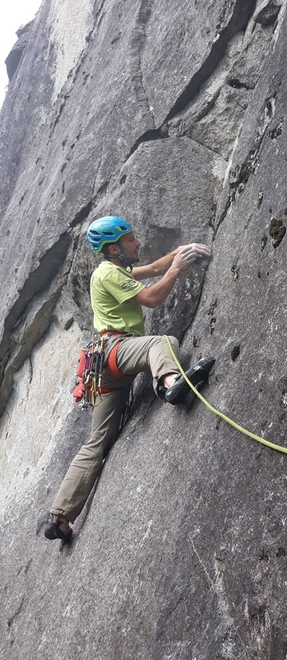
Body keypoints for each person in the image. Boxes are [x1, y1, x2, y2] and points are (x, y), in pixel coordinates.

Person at [44, 216, 214, 542]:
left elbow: (151, 268)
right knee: (161, 343)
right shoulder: (107, 272)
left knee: (97, 441)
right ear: (115, 249)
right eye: (131, 240)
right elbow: (152, 298)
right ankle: (169, 383)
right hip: (116, 350)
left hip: (105, 366)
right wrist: (177, 269)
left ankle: (60, 516)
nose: (137, 244)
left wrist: (181, 250)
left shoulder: (113, 271)